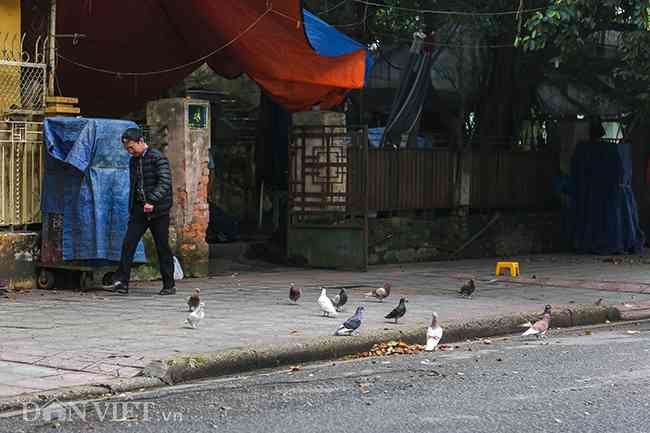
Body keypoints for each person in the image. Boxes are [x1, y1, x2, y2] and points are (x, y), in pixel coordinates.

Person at [113, 128, 175, 295]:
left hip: (159, 211)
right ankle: (122, 283)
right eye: (127, 149)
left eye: (132, 147)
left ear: (141, 141)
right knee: (128, 244)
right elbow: (135, 185)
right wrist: (134, 207)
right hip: (140, 210)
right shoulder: (133, 161)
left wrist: (152, 201)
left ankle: (169, 285)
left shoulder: (157, 157)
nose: (129, 151)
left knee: (162, 247)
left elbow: (164, 183)